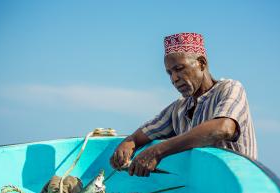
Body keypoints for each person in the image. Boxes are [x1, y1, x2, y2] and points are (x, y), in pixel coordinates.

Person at [110, 32, 257, 177]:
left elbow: (224, 128)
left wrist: (157, 151)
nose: (174, 78)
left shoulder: (230, 88)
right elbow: (141, 135)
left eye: (179, 69)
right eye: (169, 73)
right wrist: (128, 144)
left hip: (238, 187)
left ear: (201, 63)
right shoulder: (178, 108)